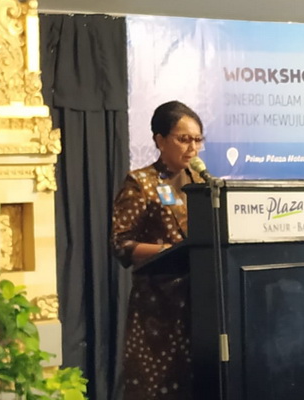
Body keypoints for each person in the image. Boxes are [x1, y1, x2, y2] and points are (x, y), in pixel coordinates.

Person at [111, 100, 205, 399]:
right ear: (160, 140)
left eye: (197, 139)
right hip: (158, 310)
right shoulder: (141, 183)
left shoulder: (202, 183)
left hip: (200, 305)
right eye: (184, 139)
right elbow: (120, 243)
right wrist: (167, 249)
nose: (192, 148)